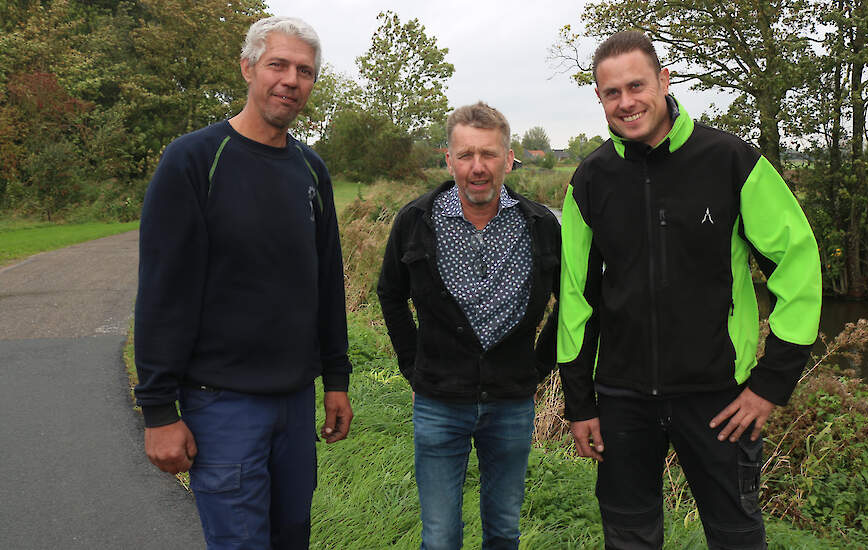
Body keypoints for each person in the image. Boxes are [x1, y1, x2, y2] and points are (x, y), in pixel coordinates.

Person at [557, 31, 821, 549]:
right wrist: (579, 400)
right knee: (629, 536)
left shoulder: (730, 161)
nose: (627, 102)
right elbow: (575, 297)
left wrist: (771, 382)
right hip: (623, 398)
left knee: (736, 537)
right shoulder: (590, 180)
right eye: (612, 93)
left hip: (719, 397)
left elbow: (798, 265)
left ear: (664, 80)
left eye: (637, 85)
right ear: (600, 99)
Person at [134, 16, 353, 550]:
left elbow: (325, 282)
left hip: (295, 403)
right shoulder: (194, 160)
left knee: (292, 537)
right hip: (221, 406)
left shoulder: (310, 170)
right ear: (248, 67)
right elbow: (163, 290)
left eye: (304, 71)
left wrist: (337, 378)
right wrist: (160, 411)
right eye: (278, 65)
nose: (291, 80)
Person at [377, 102, 561, 550]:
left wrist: (539, 368)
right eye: (466, 155)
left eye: (489, 155)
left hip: (512, 404)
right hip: (439, 401)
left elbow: (572, 304)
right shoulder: (415, 222)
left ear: (509, 158)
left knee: (503, 532)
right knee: (440, 538)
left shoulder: (539, 226)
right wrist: (413, 366)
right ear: (449, 159)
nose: (477, 167)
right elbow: (391, 294)